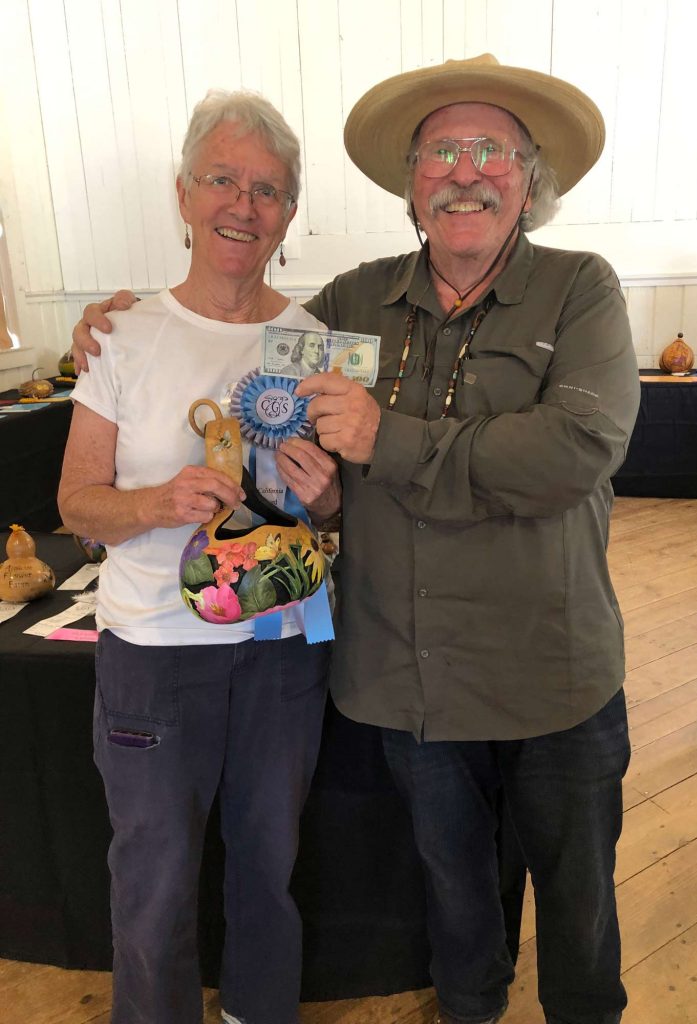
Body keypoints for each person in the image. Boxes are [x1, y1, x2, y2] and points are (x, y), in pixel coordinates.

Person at [72, 54, 640, 1024]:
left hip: (553, 678)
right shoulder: (349, 305)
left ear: (528, 178)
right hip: (408, 682)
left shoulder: (580, 290)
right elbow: (258, 393)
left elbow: (576, 447)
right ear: (411, 183)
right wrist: (112, 322)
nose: (465, 170)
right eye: (440, 152)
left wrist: (392, 440)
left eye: (490, 149)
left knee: (579, 911)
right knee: (454, 902)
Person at [59, 89, 340, 1024]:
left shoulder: (313, 343)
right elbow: (74, 504)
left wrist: (329, 497)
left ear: (289, 214)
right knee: (154, 883)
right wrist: (153, 503)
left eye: (266, 190)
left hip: (280, 652)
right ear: (184, 193)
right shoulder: (120, 335)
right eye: (222, 179)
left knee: (269, 870)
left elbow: (337, 509)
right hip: (150, 655)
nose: (243, 205)